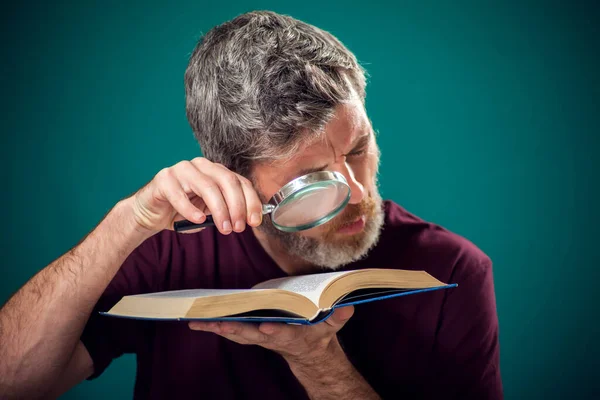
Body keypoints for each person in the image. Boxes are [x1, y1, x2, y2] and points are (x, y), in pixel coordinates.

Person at [0, 10, 502, 400]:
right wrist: (126, 221)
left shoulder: (452, 268)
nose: (356, 192)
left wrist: (321, 366)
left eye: (358, 150)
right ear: (235, 176)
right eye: (312, 179)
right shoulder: (167, 248)